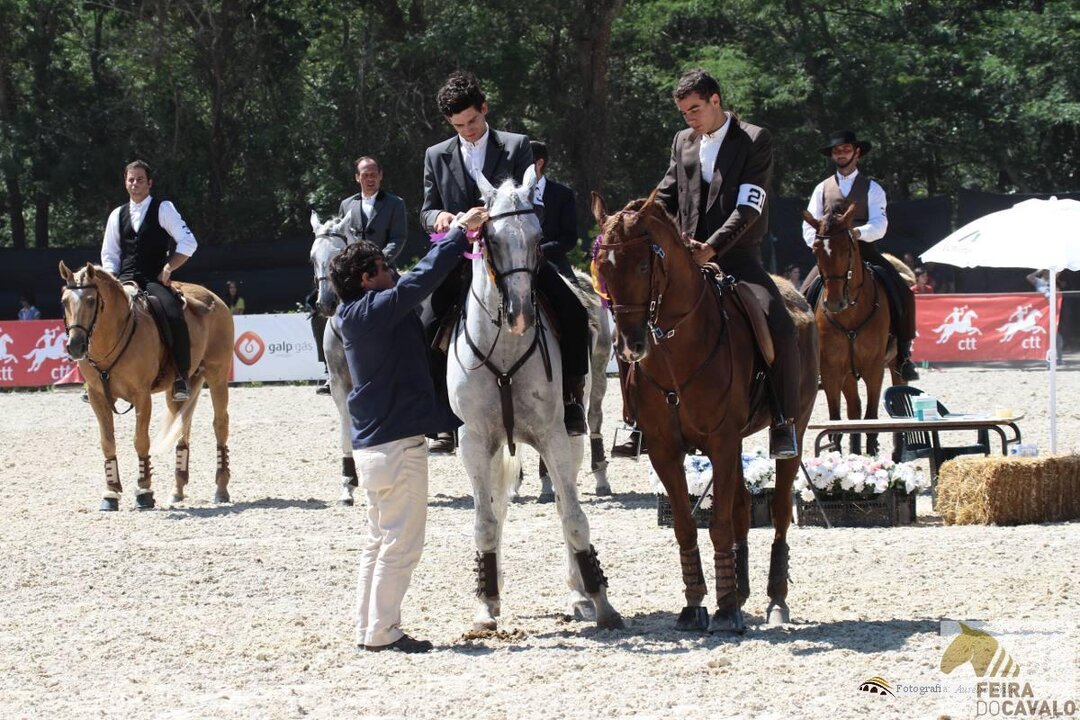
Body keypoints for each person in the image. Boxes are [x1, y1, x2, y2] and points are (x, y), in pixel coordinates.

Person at [331, 204, 489, 654]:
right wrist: (458, 233)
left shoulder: (352, 314)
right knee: (402, 545)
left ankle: (368, 627)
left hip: (372, 448)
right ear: (367, 279)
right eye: (384, 268)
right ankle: (383, 631)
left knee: (378, 541)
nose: (392, 272)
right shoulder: (374, 310)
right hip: (397, 447)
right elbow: (422, 279)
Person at [420, 71, 590, 453]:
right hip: (460, 259)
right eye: (458, 126)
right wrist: (441, 218)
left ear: (484, 108)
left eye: (472, 121)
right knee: (425, 322)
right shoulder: (435, 155)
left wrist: (496, 219)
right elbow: (426, 211)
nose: (467, 131)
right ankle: (441, 418)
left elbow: (534, 202)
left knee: (574, 311)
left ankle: (571, 400)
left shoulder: (516, 145)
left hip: (513, 256)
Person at [650, 68, 799, 459]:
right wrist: (636, 220)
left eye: (695, 109)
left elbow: (749, 206)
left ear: (715, 100)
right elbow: (665, 196)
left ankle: (783, 421)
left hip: (737, 257)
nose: (690, 119)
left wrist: (712, 248)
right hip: (685, 260)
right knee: (638, 317)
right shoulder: (682, 141)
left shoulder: (754, 139)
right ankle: (636, 421)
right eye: (684, 113)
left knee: (782, 327)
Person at [802, 129, 919, 382]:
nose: (841, 154)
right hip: (831, 255)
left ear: (857, 153)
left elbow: (880, 224)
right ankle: (808, 357)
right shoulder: (821, 189)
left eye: (846, 149)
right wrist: (821, 245)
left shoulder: (873, 188)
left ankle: (903, 355)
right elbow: (808, 226)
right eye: (837, 150)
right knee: (803, 296)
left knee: (903, 293)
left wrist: (856, 233)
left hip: (865, 250)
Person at [101, 159, 196, 401]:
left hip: (153, 279)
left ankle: (181, 376)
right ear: (125, 183)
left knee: (173, 313)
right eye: (131, 179)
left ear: (149, 183)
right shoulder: (116, 215)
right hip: (123, 280)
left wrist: (169, 267)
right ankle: (94, 378)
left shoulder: (163, 208)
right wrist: (111, 281)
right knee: (94, 314)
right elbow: (110, 254)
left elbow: (188, 242)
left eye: (140, 179)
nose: (135, 184)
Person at [338, 156, 407, 267]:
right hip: (352, 269)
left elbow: (398, 237)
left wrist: (379, 260)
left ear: (380, 175)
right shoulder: (346, 205)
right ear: (357, 177)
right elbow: (340, 238)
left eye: (373, 175)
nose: (370, 179)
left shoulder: (395, 203)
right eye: (365, 175)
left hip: (383, 268)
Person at [530, 140, 580, 282]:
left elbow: (569, 238)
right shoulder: (510, 194)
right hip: (512, 264)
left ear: (539, 163)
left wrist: (541, 251)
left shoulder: (563, 194)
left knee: (572, 295)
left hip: (552, 262)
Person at [1027, 270, 1064, 365]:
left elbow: (1059, 271)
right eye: (1047, 272)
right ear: (1044, 273)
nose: (1049, 274)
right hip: (1042, 311)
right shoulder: (1039, 281)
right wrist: (1040, 270)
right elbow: (1029, 277)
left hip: (1053, 311)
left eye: (1050, 272)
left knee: (1055, 334)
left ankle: (1059, 358)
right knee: (1045, 334)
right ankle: (1046, 358)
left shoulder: (1053, 282)